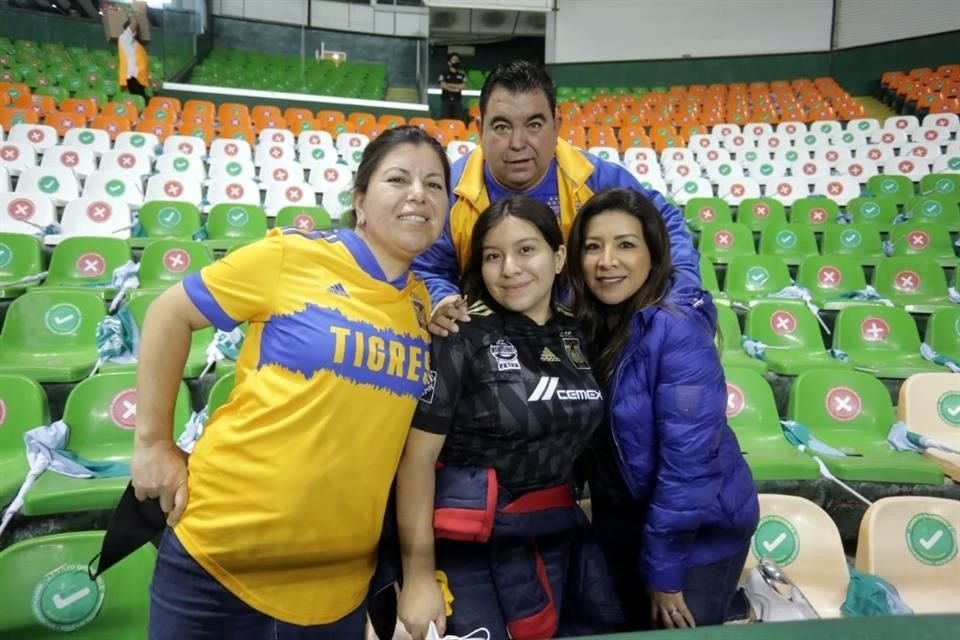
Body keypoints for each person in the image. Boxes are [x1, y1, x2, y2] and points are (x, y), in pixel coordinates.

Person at [131, 125, 450, 640]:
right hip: (220, 559)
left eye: (435, 185)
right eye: (399, 178)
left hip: (336, 585)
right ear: (360, 202)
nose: (419, 193)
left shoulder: (423, 308)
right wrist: (152, 443)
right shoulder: (291, 257)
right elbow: (168, 313)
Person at [396, 196, 622, 640]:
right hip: (468, 545)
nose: (509, 269)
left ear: (558, 257)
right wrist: (419, 575)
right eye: (493, 256)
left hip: (557, 535)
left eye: (526, 250)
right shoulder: (458, 335)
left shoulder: (579, 329)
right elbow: (416, 461)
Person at [566, 188, 759, 630]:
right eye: (593, 247)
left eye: (625, 245)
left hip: (699, 535)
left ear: (654, 255)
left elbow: (688, 468)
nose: (607, 260)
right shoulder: (589, 327)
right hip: (627, 523)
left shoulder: (676, 331)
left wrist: (665, 575)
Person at [413, 60, 699, 338]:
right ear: (480, 129)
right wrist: (442, 300)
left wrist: (680, 295)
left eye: (534, 125)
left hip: (585, 342)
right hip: (487, 347)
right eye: (501, 127)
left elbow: (665, 224)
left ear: (557, 125)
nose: (517, 142)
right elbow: (425, 266)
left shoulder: (594, 180)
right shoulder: (449, 192)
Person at [117, 18, 149, 99]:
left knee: (142, 100)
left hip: (139, 78)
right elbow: (134, 22)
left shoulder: (135, 43)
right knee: (140, 101)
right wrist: (137, 11)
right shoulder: (125, 38)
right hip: (133, 76)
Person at [438, 53, 466, 121]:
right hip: (446, 101)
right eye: (454, 60)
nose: (456, 61)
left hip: (457, 101)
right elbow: (442, 85)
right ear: (449, 62)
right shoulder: (443, 74)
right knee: (445, 120)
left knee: (458, 121)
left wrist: (449, 84)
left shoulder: (462, 75)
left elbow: (462, 86)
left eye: (457, 60)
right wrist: (456, 89)